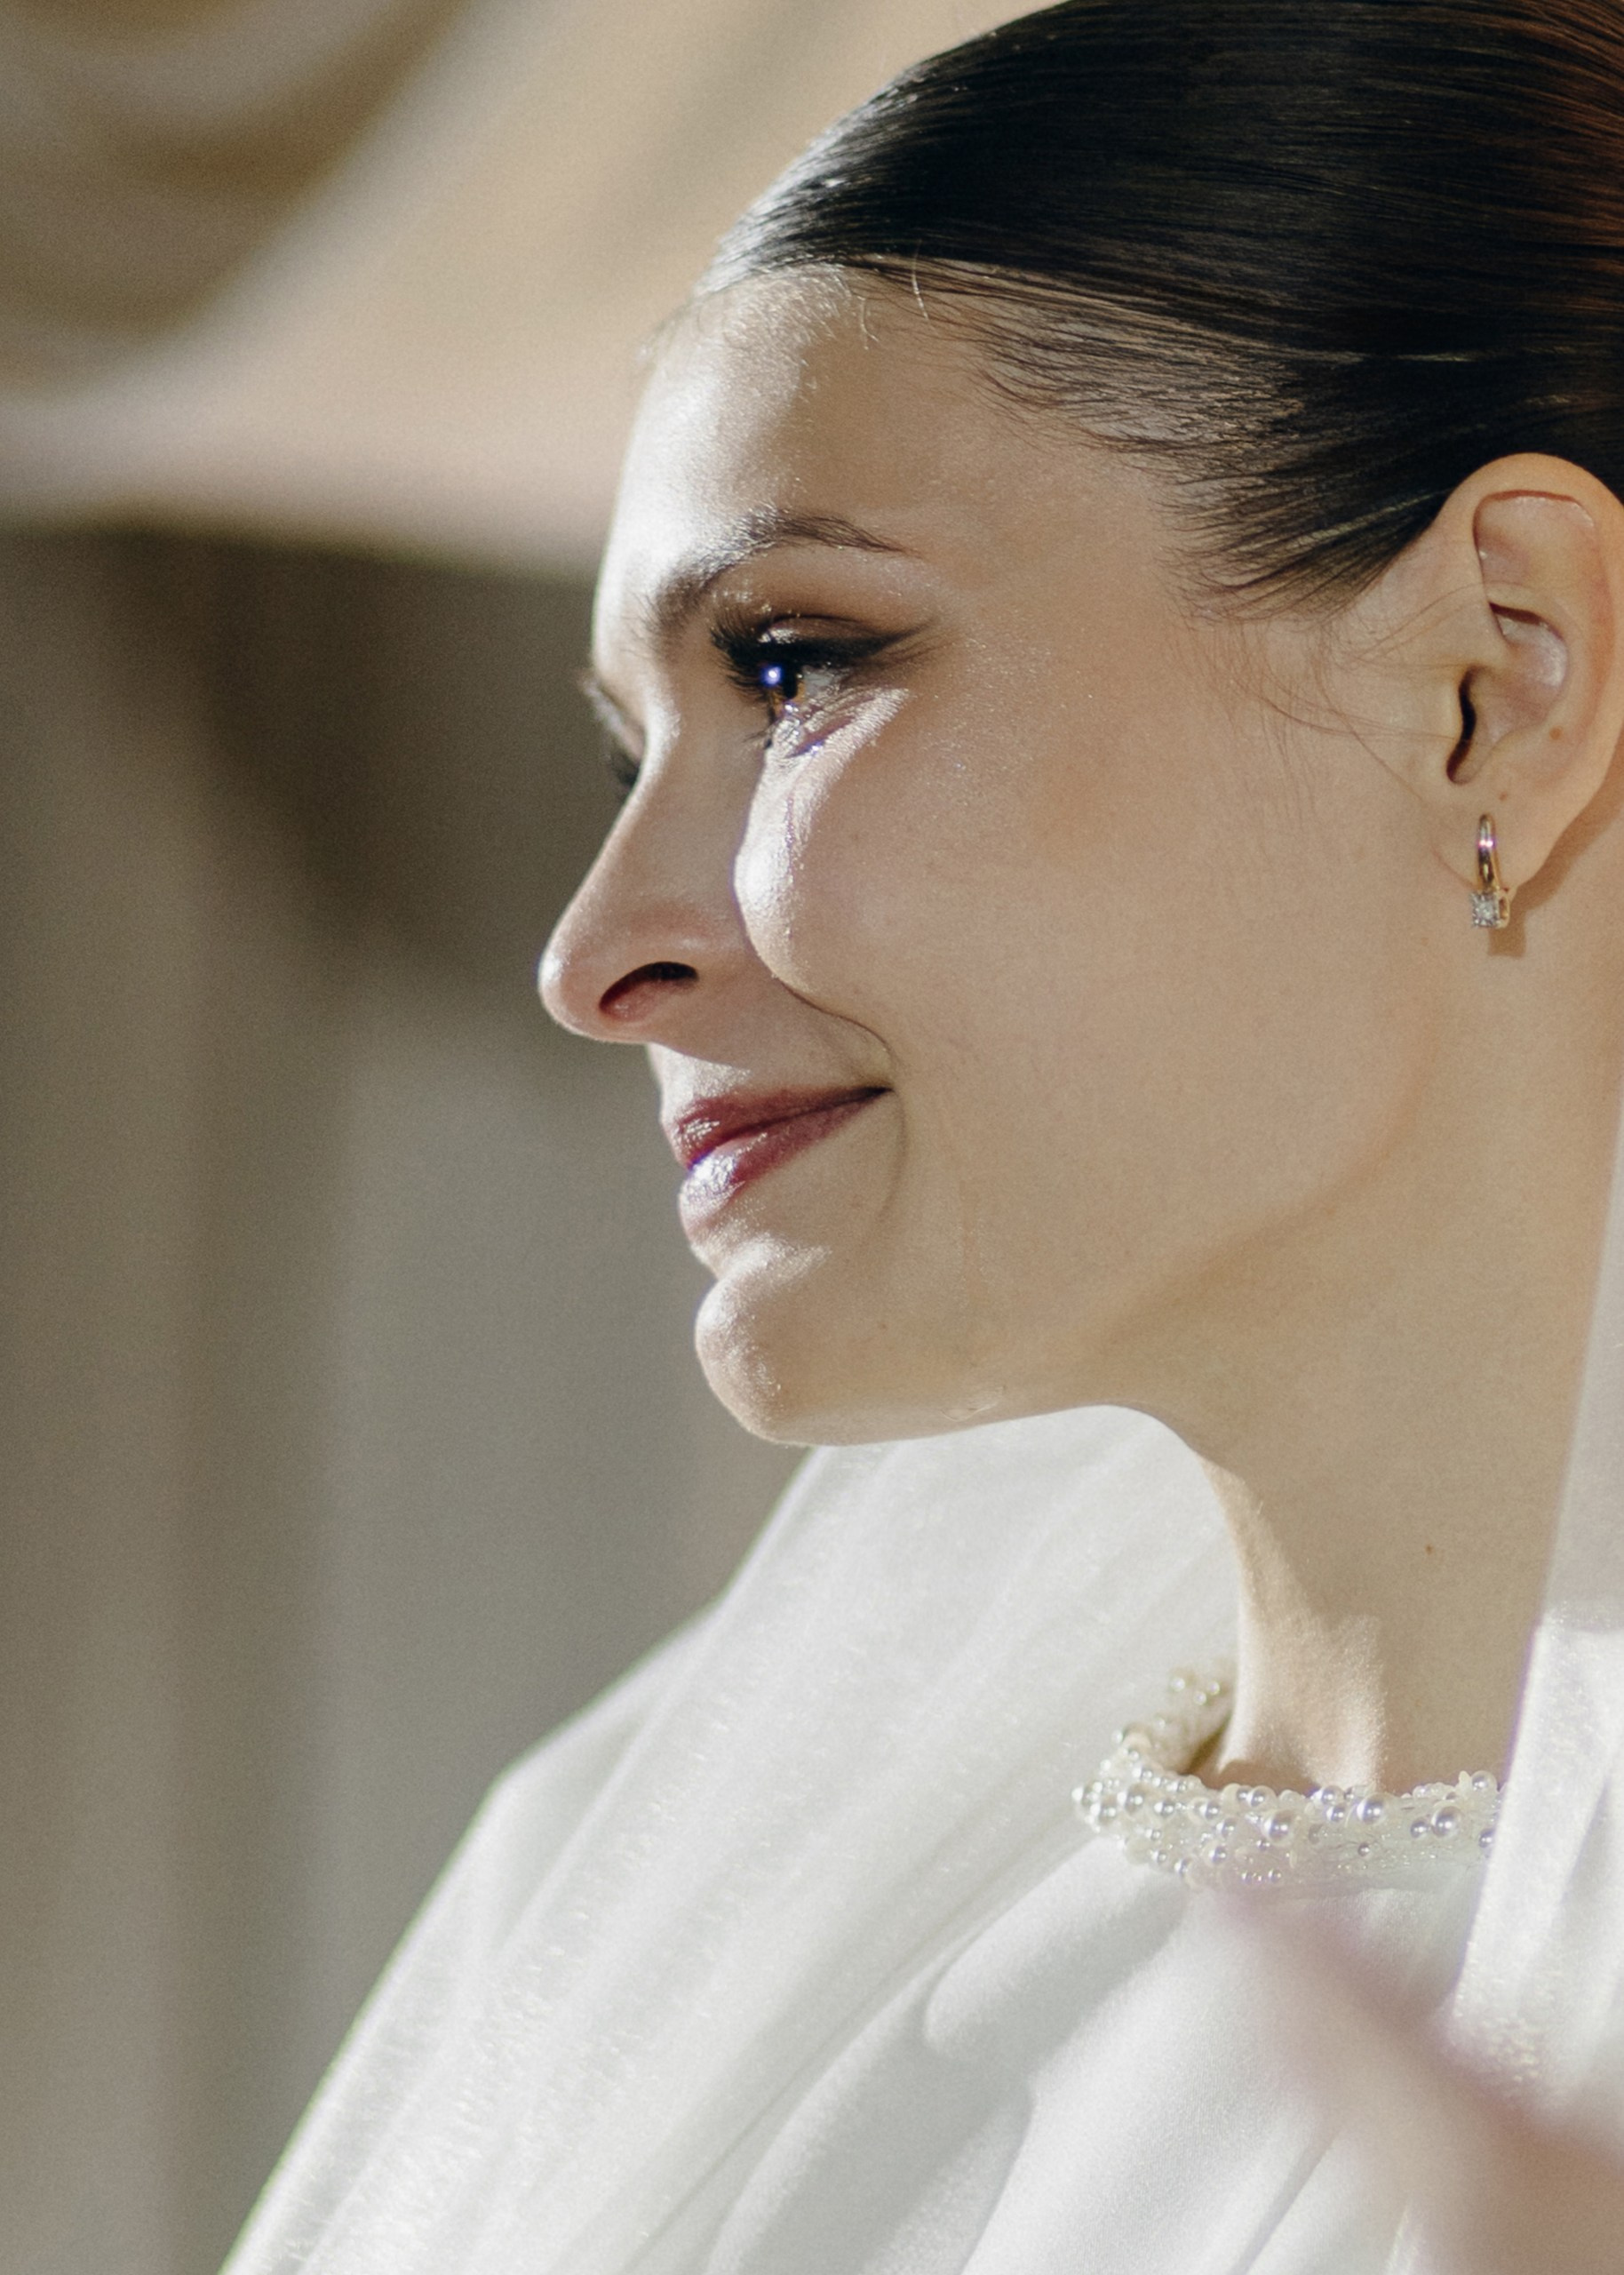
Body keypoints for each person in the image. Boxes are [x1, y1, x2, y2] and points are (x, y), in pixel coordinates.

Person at [223, 4, 1624, 2270]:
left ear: (1496, 676)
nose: (593, 956)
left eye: (795, 663)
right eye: (624, 758)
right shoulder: (643, 1915)